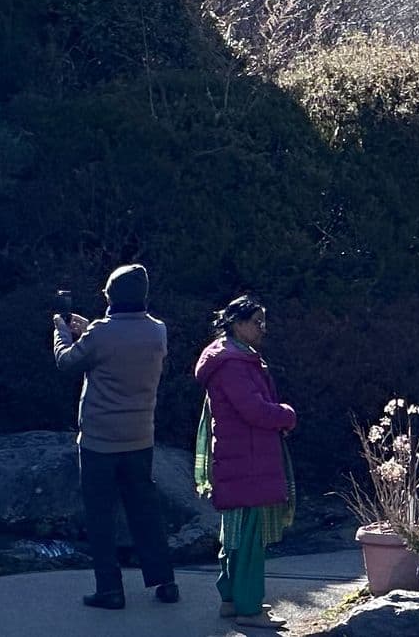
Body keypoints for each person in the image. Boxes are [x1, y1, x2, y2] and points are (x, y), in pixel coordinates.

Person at [53, 263, 180, 610]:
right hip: (140, 438)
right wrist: (89, 329)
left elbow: (67, 362)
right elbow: (119, 342)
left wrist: (62, 332)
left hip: (99, 441)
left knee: (100, 516)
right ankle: (165, 582)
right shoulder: (158, 332)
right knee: (146, 510)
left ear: (111, 296)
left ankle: (110, 589)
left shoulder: (101, 333)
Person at [193, 296, 297, 630]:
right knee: (249, 540)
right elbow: (253, 410)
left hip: (239, 460)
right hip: (248, 463)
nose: (262, 328)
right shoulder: (234, 364)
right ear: (238, 324)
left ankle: (232, 600)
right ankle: (250, 608)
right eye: (257, 322)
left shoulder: (229, 358)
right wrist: (286, 414)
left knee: (235, 536)